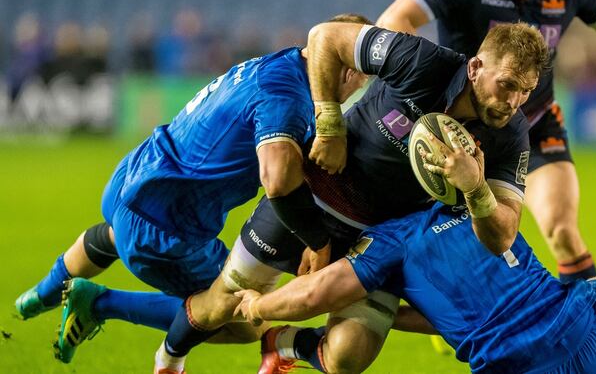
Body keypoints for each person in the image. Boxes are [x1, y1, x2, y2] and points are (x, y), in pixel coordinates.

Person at [156, 21, 550, 374]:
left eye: (526, 91)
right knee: (222, 306)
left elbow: (502, 236)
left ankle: (283, 345)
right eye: (508, 85)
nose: (514, 101)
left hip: (381, 237)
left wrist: (476, 188)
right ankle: (169, 360)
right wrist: (328, 123)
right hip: (314, 200)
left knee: (348, 357)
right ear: (477, 68)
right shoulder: (420, 60)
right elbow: (324, 36)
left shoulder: (511, 134)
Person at [14, 14, 372, 365]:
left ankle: (40, 294)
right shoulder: (286, 97)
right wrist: (317, 240)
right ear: (348, 70)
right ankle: (99, 304)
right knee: (241, 317)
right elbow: (277, 180)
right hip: (167, 225)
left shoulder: (277, 62)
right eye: (358, 84)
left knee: (114, 234)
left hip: (134, 177)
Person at [377, 0, 596, 282]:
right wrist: (420, 79)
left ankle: (589, 326)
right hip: (462, 132)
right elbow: (395, 19)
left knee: (563, 232)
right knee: (445, 248)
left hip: (535, 121)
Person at [234, 200, 596, 374]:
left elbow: (316, 295)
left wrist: (259, 305)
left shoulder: (390, 239)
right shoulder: (488, 202)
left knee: (348, 350)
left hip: (513, 366)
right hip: (588, 340)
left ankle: (285, 346)